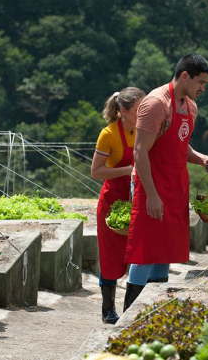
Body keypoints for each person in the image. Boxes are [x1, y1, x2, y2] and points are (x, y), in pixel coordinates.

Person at [123, 54, 208, 311]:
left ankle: (154, 312)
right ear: (185, 76)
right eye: (201, 82)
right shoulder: (156, 104)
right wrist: (152, 195)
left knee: (164, 252)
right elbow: (140, 152)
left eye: (206, 84)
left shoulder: (191, 107)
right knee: (145, 250)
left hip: (176, 186)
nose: (203, 88)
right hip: (151, 185)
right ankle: (129, 315)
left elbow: (180, 145)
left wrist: (203, 160)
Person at [90, 87, 145, 324]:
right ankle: (108, 309)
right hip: (113, 204)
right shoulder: (108, 134)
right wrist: (129, 170)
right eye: (138, 109)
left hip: (137, 199)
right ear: (123, 111)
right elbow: (96, 171)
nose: (144, 112)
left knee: (139, 254)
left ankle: (131, 306)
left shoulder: (143, 130)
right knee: (111, 255)